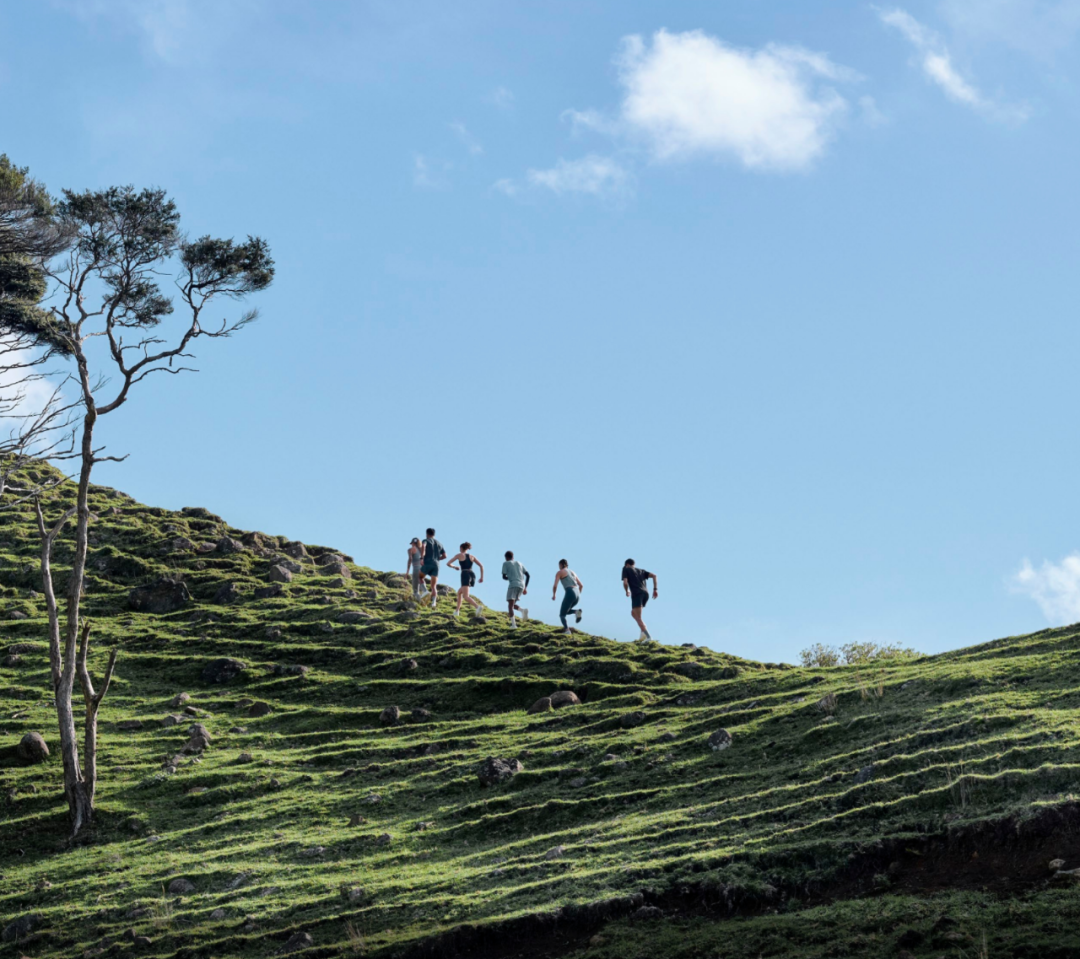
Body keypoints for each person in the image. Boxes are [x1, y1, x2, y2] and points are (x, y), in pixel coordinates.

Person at [621, 558, 657, 640]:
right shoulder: (641, 571)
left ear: (627, 564)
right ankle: (643, 633)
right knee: (633, 613)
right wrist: (655, 589)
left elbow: (625, 582)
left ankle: (648, 637)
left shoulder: (626, 569)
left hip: (637, 594)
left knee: (638, 617)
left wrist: (627, 591)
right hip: (645, 594)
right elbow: (654, 576)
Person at [447, 542, 485, 618]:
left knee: (466, 596)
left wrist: (455, 567)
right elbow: (481, 566)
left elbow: (448, 563)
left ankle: (477, 607)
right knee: (459, 592)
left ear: (461, 548)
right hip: (472, 575)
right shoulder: (472, 556)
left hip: (465, 574)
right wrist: (481, 577)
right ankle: (457, 611)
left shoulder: (459, 555)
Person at [551, 559, 583, 633]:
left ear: (561, 565)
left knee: (562, 615)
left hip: (570, 591)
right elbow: (581, 585)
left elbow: (555, 586)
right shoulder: (572, 572)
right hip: (577, 593)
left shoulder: (560, 572)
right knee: (566, 611)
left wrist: (554, 594)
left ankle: (567, 630)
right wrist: (577, 595)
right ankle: (577, 612)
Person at [501, 550, 530, 628]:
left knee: (510, 606)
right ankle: (522, 610)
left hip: (513, 585)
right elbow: (528, 575)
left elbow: (504, 577)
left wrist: (510, 577)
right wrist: (525, 587)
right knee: (512, 604)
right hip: (521, 586)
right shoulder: (519, 563)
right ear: (513, 557)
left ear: (506, 558)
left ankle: (513, 625)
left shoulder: (506, 563)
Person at [421, 528, 446, 608]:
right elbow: (445, 556)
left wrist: (422, 558)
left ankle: (425, 591)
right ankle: (433, 603)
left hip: (428, 563)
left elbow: (423, 546)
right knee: (433, 586)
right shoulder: (440, 544)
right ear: (434, 534)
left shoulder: (425, 540)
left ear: (427, 534)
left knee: (419, 577)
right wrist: (438, 559)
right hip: (436, 565)